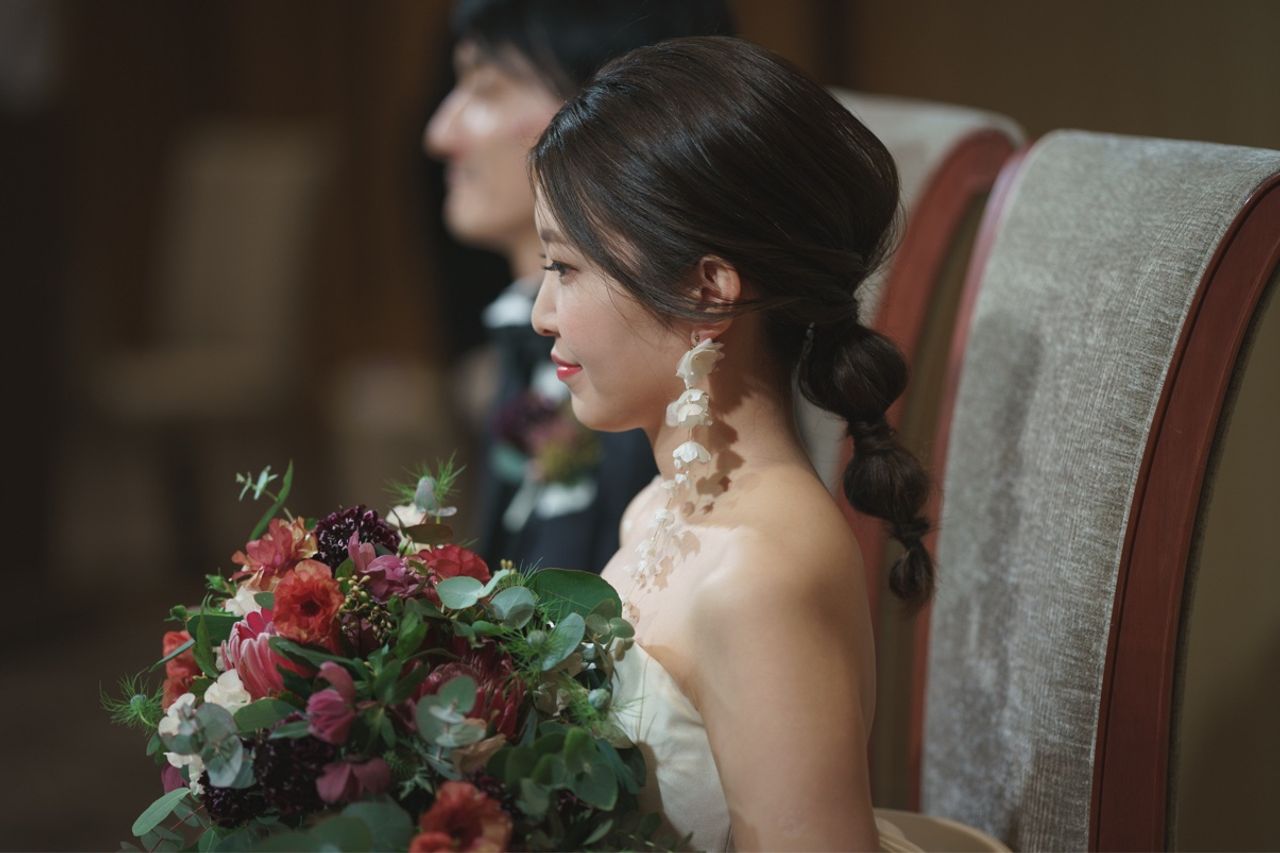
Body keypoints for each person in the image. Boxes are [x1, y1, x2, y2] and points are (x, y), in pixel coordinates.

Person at [529, 37, 935, 851]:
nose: (543, 313)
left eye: (566, 267)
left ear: (708, 291)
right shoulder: (658, 509)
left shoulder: (757, 578)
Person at [423, 0, 734, 573]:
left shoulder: (652, 384)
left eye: (486, 89)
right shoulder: (527, 336)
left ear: (608, 108)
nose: (440, 134)